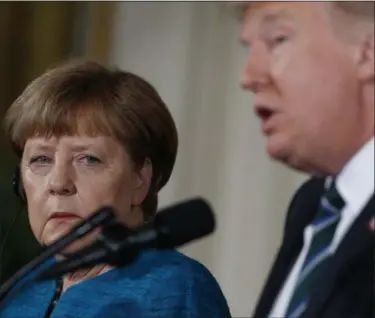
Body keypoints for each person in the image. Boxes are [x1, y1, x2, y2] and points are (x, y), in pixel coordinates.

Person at [0, 60, 231, 318]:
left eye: (88, 159)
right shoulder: (20, 291)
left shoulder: (176, 290)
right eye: (41, 159)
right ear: (19, 183)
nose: (58, 183)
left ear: (140, 178)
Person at [237, 2, 374, 318]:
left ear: (368, 52)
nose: (249, 76)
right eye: (249, 47)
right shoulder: (311, 205)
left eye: (277, 40)